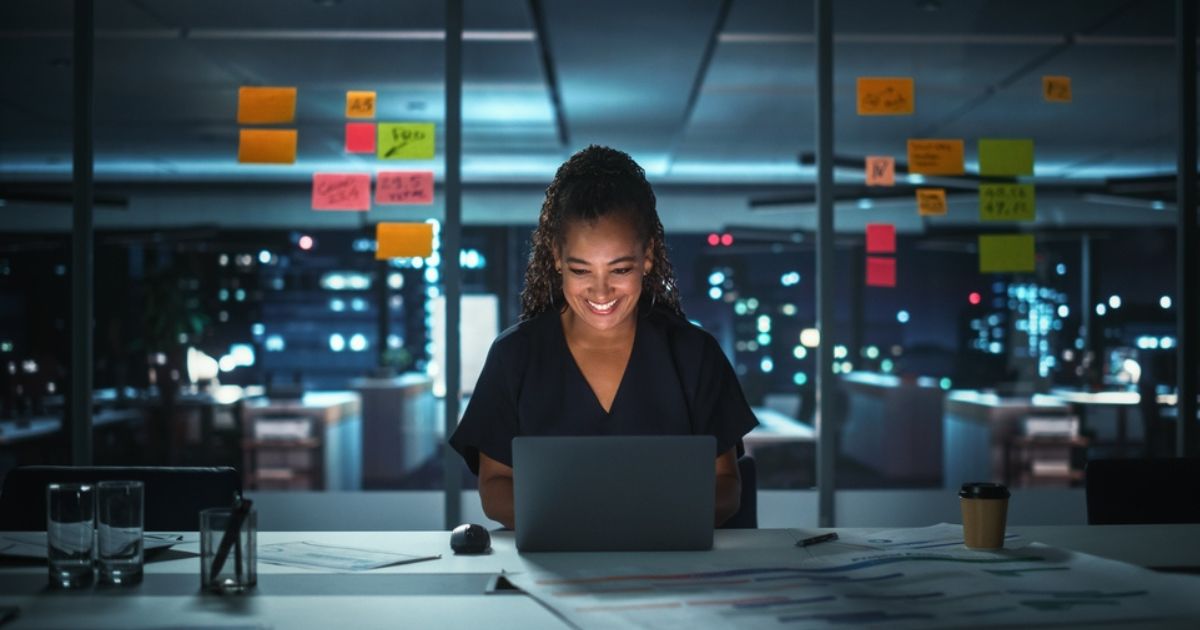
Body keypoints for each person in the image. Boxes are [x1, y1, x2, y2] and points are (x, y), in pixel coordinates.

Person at [449, 145, 758, 529]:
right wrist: (584, 523)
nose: (601, 292)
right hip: (553, 565)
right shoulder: (516, 356)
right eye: (581, 271)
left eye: (620, 269)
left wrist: (640, 524)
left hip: (672, 567)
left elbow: (726, 485)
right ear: (557, 257)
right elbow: (495, 486)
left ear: (648, 256)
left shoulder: (694, 354)